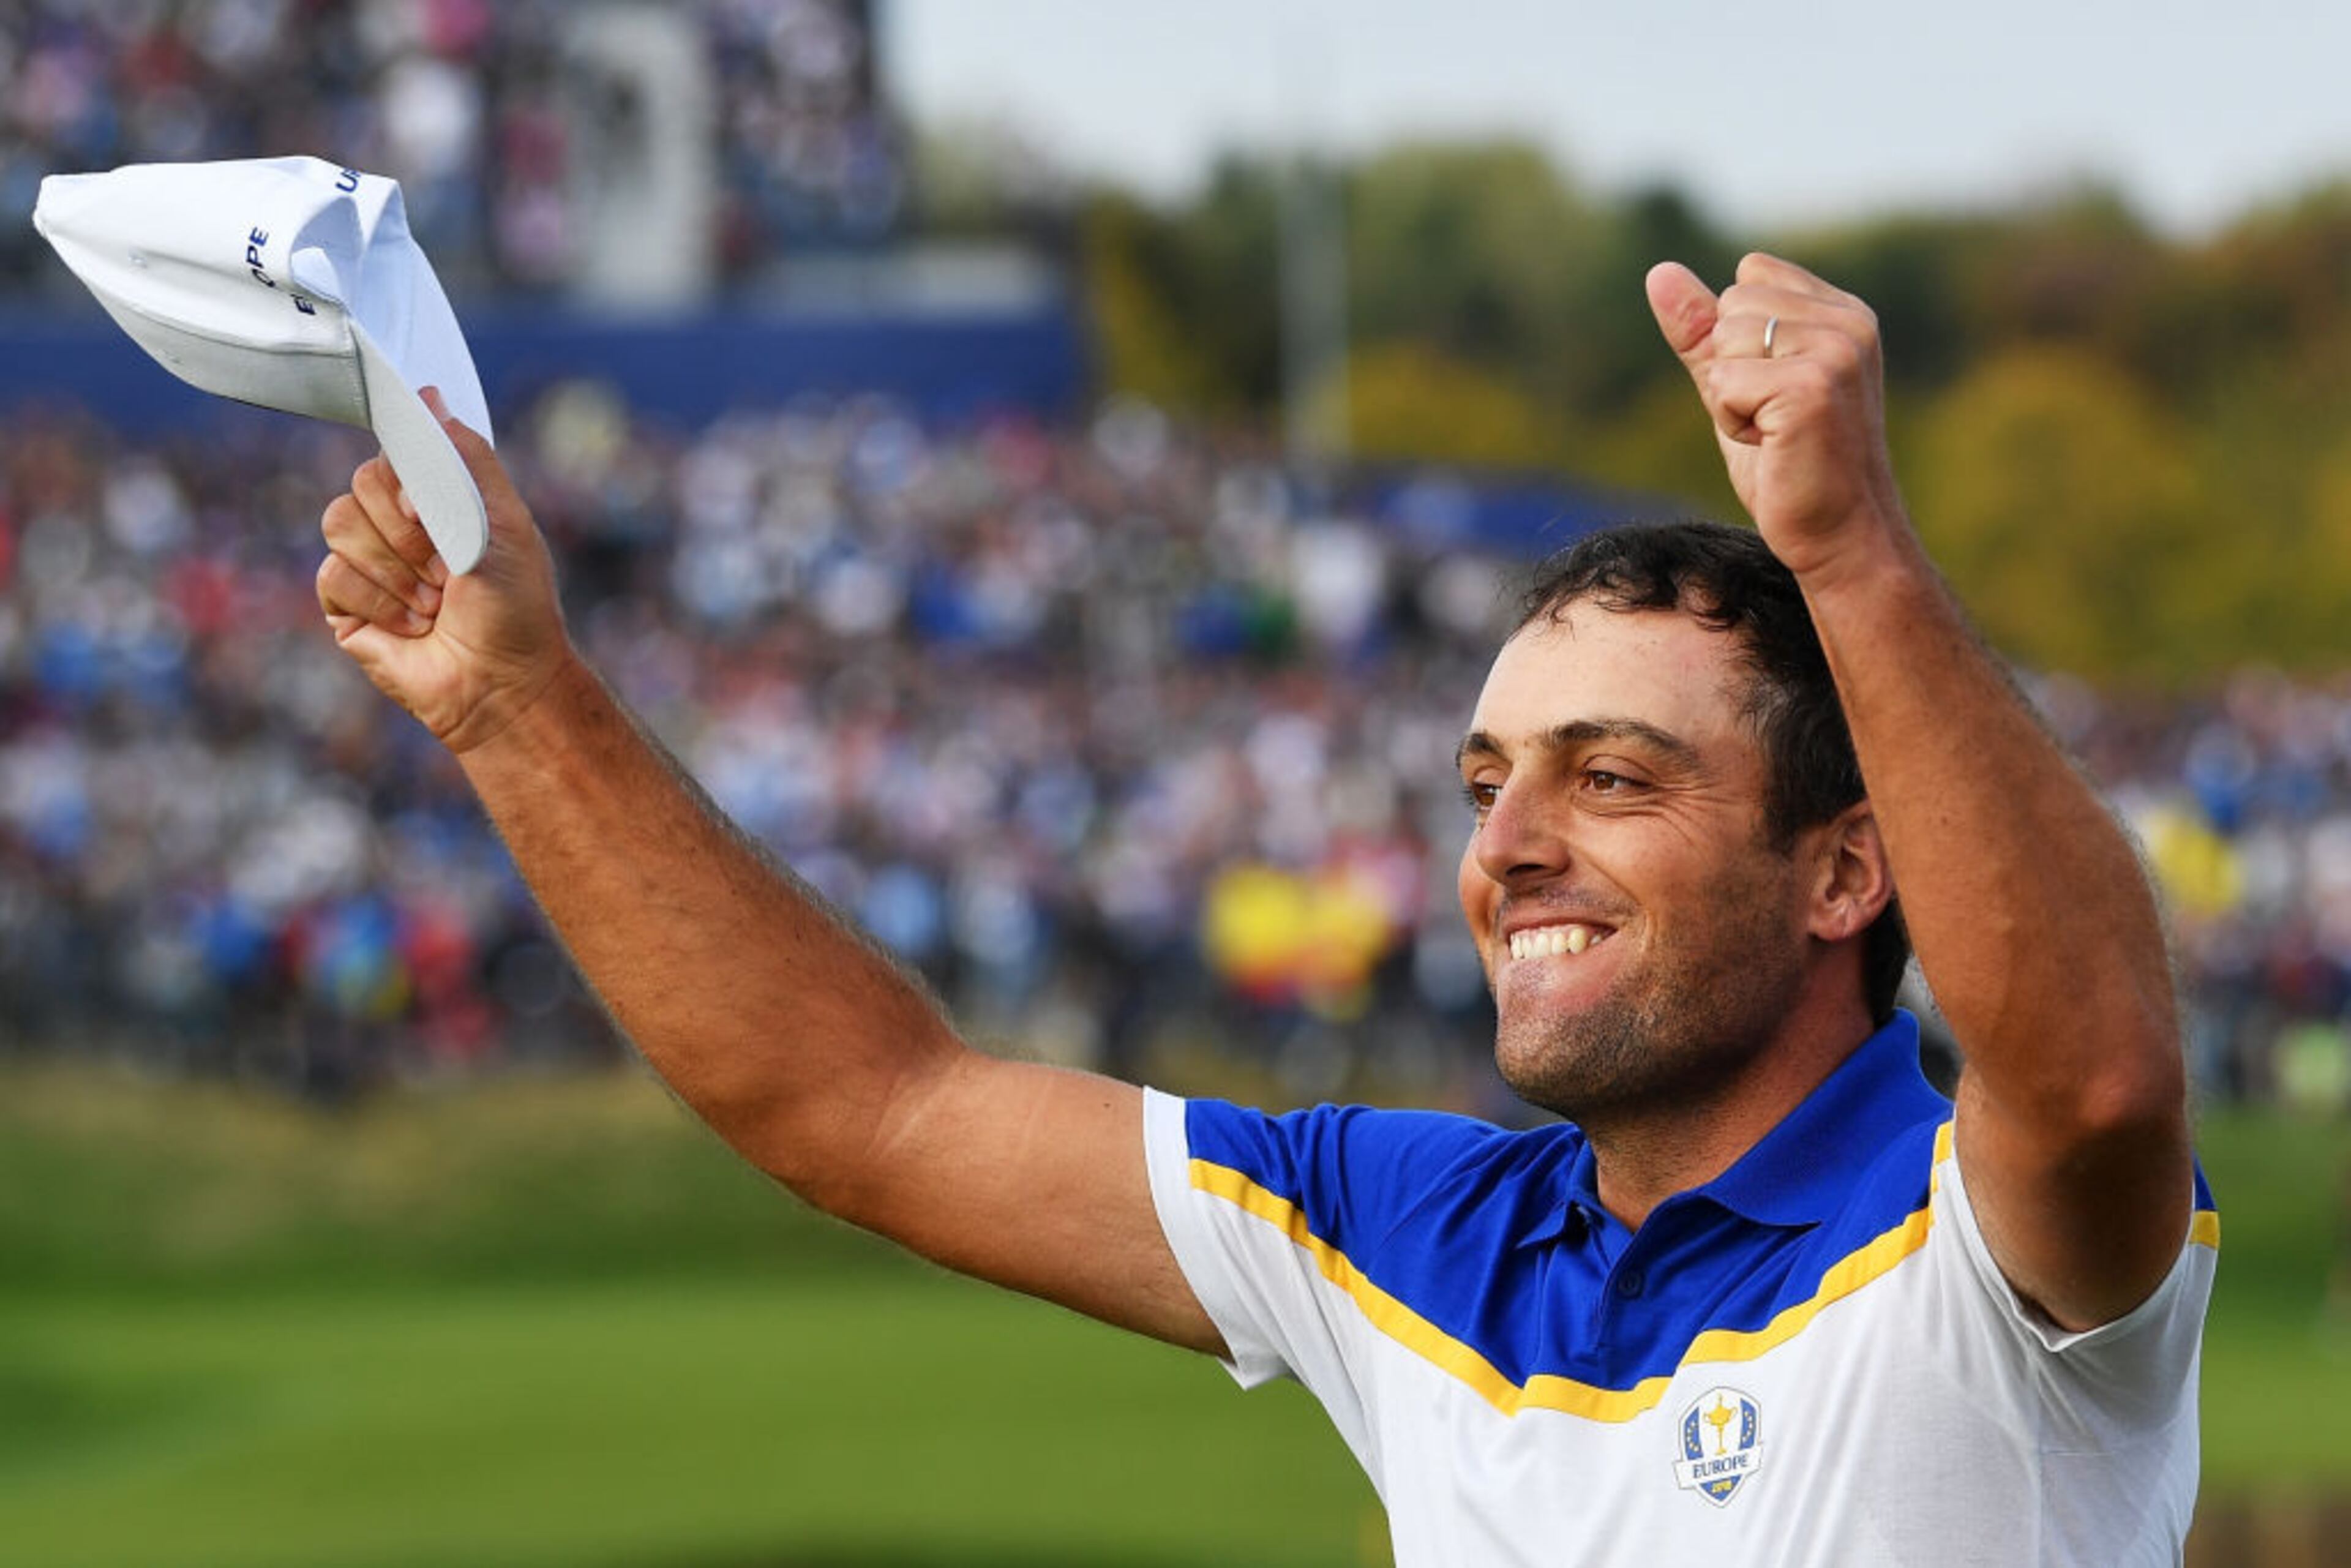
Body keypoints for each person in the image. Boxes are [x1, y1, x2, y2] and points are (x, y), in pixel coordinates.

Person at [313, 255, 2215, 1564]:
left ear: (1843, 870)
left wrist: (1850, 547)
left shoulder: (1985, 1232)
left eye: (1613, 775)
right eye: (1489, 781)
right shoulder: (1406, 1227)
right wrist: (512, 702)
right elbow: (874, 1106)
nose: (1510, 846)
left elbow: (2105, 1077)